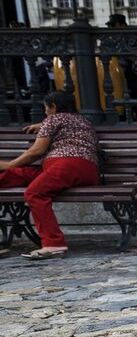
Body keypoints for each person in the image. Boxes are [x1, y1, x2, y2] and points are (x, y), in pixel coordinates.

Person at [0, 91, 100, 260]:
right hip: (84, 170)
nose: (45, 112)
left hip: (67, 165)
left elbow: (36, 151)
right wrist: (43, 124)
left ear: (54, 107)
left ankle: (54, 244)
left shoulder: (53, 119)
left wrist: (10, 164)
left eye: (46, 108)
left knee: (35, 192)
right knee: (17, 175)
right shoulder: (83, 121)